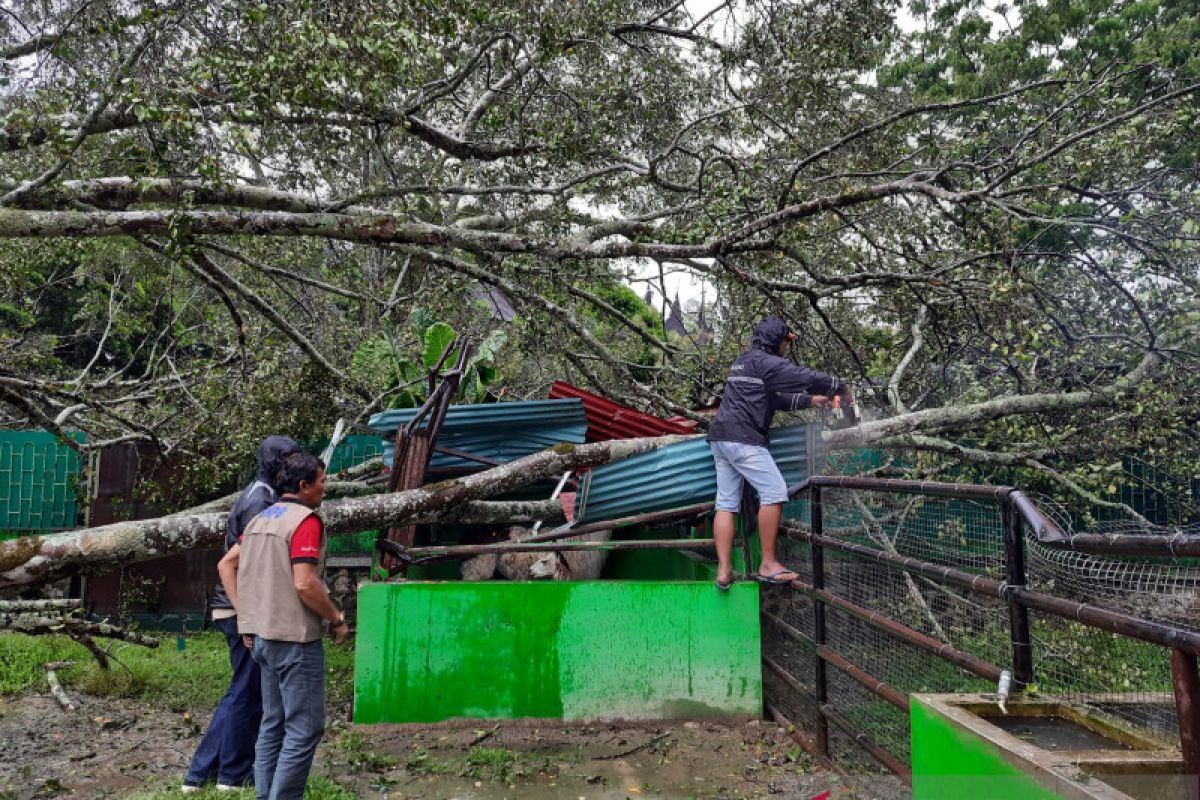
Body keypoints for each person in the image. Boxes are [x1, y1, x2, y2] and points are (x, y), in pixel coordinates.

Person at [219, 451, 350, 800]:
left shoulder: (260, 519)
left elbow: (225, 566)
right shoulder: (305, 520)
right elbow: (305, 583)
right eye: (322, 482)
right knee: (304, 730)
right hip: (294, 641)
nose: (326, 488)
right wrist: (335, 618)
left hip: (262, 639)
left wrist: (245, 618)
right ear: (304, 486)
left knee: (273, 725)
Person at [184, 435, 302, 792]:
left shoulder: (263, 495)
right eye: (288, 461)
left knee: (242, 690)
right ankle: (232, 775)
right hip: (239, 609)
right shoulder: (260, 502)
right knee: (247, 693)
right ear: (273, 463)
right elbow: (246, 566)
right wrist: (249, 616)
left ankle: (201, 773)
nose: (293, 467)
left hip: (238, 608)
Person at [707, 315, 852, 590]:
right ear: (779, 340)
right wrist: (839, 386)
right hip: (744, 440)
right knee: (774, 491)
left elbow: (774, 399)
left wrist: (811, 401)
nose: (787, 347)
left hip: (721, 438)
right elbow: (804, 377)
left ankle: (725, 571)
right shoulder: (768, 363)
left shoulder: (744, 361)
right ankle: (768, 563)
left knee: (726, 502)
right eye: (787, 341)